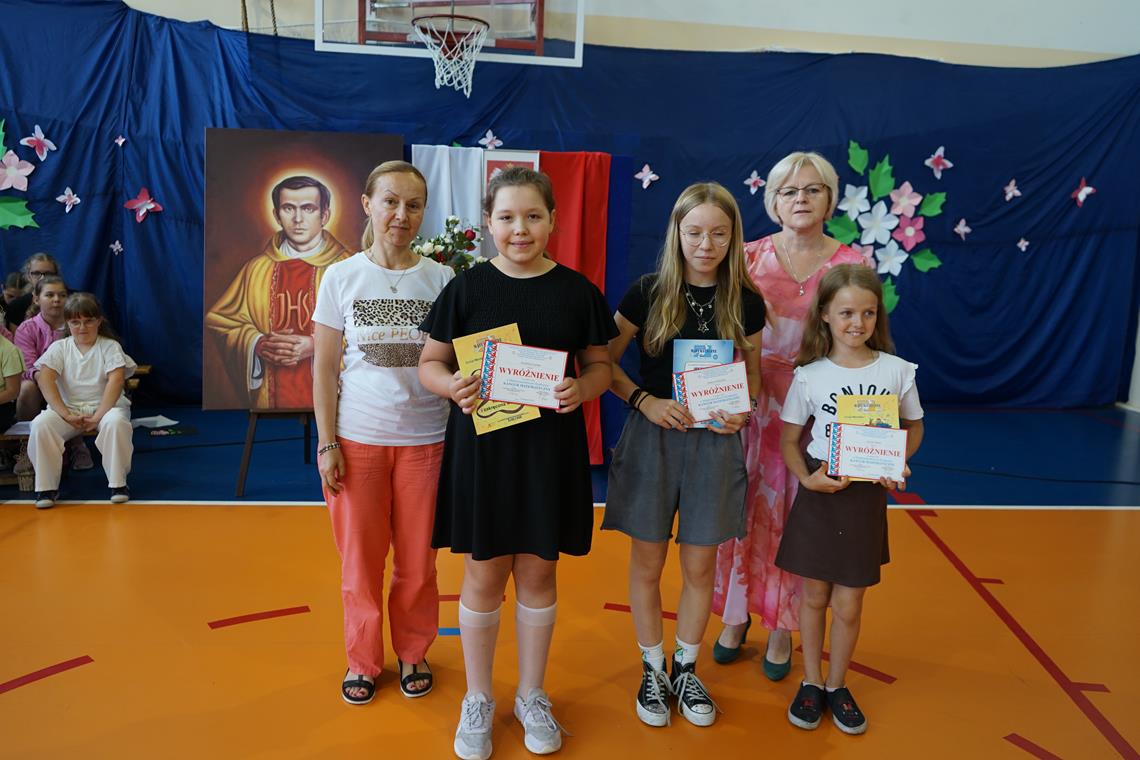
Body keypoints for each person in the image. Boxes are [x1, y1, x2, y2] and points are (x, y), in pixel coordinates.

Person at [418, 167, 616, 759]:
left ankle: (532, 693)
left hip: (548, 455)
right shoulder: (466, 289)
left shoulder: (577, 291)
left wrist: (583, 389)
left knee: (537, 572)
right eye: (506, 217)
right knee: (482, 574)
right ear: (488, 223)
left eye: (533, 216)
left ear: (553, 220)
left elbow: (599, 366)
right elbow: (430, 363)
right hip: (484, 454)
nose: (520, 229)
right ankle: (478, 697)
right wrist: (451, 386)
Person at [602, 182, 765, 728]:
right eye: (694, 232)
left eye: (718, 234)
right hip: (654, 437)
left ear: (733, 237)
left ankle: (687, 668)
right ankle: (652, 667)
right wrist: (644, 401)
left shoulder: (746, 300)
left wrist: (743, 411)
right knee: (648, 562)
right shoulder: (646, 293)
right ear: (676, 232)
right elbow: (603, 363)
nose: (705, 244)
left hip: (715, 441)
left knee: (700, 565)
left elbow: (754, 376)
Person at [711, 151, 867, 681]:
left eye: (813, 189)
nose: (801, 199)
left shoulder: (851, 264)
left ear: (830, 199)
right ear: (773, 201)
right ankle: (735, 616)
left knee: (799, 520)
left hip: (815, 413)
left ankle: (782, 626)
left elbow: (860, 343)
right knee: (740, 511)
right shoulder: (745, 257)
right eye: (789, 191)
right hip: (750, 403)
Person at [312, 161, 454, 706]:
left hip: (427, 443)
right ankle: (363, 660)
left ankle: (414, 651)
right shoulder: (340, 277)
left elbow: (458, 360)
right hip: (357, 442)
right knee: (360, 566)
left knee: (419, 565)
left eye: (413, 205)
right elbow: (325, 368)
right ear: (368, 204)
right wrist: (328, 442)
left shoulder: (442, 280)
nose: (401, 214)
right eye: (390, 201)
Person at [774, 263, 924, 735]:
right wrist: (807, 479)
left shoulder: (896, 371)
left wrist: (896, 459)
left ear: (878, 316)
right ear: (824, 314)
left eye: (867, 313)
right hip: (822, 495)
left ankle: (838, 685)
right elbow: (789, 440)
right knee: (814, 596)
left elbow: (914, 426)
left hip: (865, 499)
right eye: (846, 313)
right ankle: (812, 682)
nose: (857, 322)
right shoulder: (809, 376)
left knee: (850, 604)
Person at [205, 175, 351, 409]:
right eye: (288, 208)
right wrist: (257, 343)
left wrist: (318, 345)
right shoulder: (257, 268)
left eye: (308, 208)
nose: (298, 219)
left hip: (337, 394)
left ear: (324, 215)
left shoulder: (349, 268)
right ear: (276, 215)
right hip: (270, 393)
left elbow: (370, 330)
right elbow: (222, 322)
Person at [28, 293, 137, 509]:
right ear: (67, 324)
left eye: (88, 321)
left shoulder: (110, 347)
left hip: (107, 408)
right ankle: (45, 488)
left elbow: (116, 381)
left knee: (116, 423)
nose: (82, 327)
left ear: (99, 321)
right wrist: (65, 414)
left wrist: (98, 416)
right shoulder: (59, 348)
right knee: (41, 424)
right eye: (75, 322)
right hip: (69, 410)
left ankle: (118, 484)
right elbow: (45, 379)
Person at [4, 253, 59, 331]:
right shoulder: (16, 306)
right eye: (36, 273)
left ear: (56, 275)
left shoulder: (71, 300)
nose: (42, 278)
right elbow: (14, 338)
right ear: (28, 277)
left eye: (48, 273)